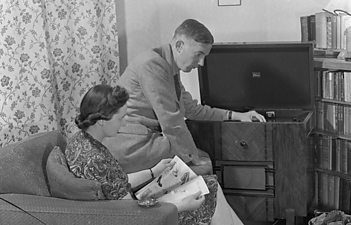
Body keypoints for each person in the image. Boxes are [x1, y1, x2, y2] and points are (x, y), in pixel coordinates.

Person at [103, 19, 266, 174]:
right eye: (198, 54)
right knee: (203, 163)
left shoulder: (168, 68)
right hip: (132, 145)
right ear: (179, 45)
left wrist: (238, 115)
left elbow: (192, 110)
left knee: (205, 159)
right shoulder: (152, 64)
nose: (201, 63)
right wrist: (192, 158)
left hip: (145, 140)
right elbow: (171, 121)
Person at [65, 84, 243, 225]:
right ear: (102, 121)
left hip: (129, 205)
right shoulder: (95, 158)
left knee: (209, 184)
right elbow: (130, 213)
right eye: (121, 118)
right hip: (136, 215)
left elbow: (115, 183)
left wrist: (153, 171)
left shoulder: (82, 141)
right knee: (208, 192)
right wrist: (179, 205)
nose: (125, 122)